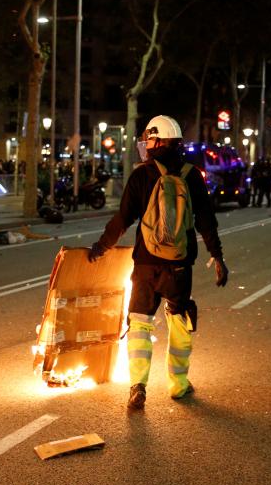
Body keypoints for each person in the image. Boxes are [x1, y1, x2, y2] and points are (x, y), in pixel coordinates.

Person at [88, 115, 228, 410]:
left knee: (139, 323)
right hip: (178, 266)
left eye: (149, 140)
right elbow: (206, 221)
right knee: (179, 322)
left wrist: (101, 247)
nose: (147, 145)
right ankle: (178, 385)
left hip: (145, 264)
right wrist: (217, 256)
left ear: (159, 141)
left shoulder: (142, 175)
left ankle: (137, 385)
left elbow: (122, 219)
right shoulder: (192, 176)